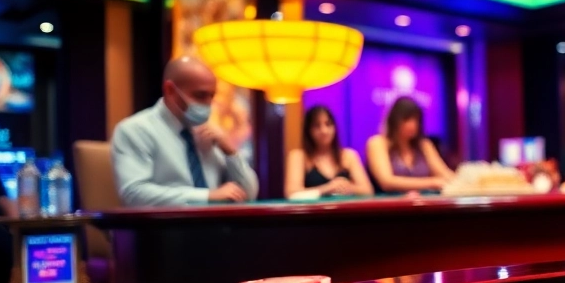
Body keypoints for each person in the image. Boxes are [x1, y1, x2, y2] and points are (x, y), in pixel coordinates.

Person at [112, 56, 260, 206]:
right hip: (164, 227)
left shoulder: (209, 133)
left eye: (212, 96)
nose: (208, 104)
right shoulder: (135, 130)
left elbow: (248, 195)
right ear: (170, 90)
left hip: (215, 227)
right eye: (200, 95)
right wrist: (206, 196)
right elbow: (134, 194)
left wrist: (230, 152)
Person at [365, 97, 455, 193]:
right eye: (407, 119)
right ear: (394, 121)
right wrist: (431, 182)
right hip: (390, 205)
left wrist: (467, 180)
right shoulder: (377, 143)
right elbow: (387, 182)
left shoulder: (424, 145)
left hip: (423, 203)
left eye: (416, 120)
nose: (413, 125)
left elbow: (445, 174)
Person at [285, 105, 374, 198]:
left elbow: (368, 191)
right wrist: (328, 188)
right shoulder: (298, 156)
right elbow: (291, 194)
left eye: (328, 124)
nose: (324, 130)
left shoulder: (348, 155)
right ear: (308, 130)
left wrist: (349, 188)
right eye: (317, 126)